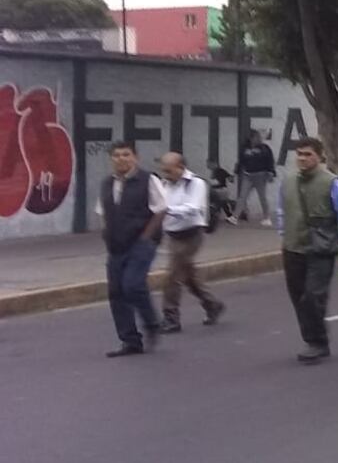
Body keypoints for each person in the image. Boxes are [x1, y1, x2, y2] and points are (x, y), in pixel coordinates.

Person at [275, 137, 338, 364]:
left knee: (313, 296)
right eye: (299, 154)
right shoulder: (287, 181)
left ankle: (318, 341)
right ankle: (312, 338)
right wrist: (284, 234)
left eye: (308, 154)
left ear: (320, 156)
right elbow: (282, 210)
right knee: (298, 296)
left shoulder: (332, 182)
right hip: (292, 248)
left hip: (322, 248)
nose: (302, 158)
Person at [97, 141, 166, 357]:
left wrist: (146, 237)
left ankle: (152, 323)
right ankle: (130, 341)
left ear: (135, 158)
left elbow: (161, 209)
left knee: (133, 285)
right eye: (116, 155)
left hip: (141, 242)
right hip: (116, 244)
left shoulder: (148, 180)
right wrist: (106, 233)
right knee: (116, 292)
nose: (121, 159)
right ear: (111, 159)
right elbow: (102, 212)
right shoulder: (107, 183)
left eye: (126, 154)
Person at [157, 152, 225, 333]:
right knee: (188, 276)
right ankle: (212, 304)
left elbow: (193, 208)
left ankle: (171, 317)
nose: (166, 175)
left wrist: (167, 210)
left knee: (172, 275)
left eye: (169, 171)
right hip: (172, 235)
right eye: (164, 171)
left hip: (191, 234)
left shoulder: (195, 183)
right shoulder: (164, 184)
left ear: (180, 167)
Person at [232, 130, 275, 226]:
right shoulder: (244, 149)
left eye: (258, 137)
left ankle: (267, 217)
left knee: (262, 197)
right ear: (251, 138)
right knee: (242, 196)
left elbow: (270, 161)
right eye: (255, 137)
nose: (257, 139)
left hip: (260, 175)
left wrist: (271, 173)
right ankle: (235, 217)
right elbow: (241, 161)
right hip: (248, 175)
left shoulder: (264, 148)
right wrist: (236, 172)